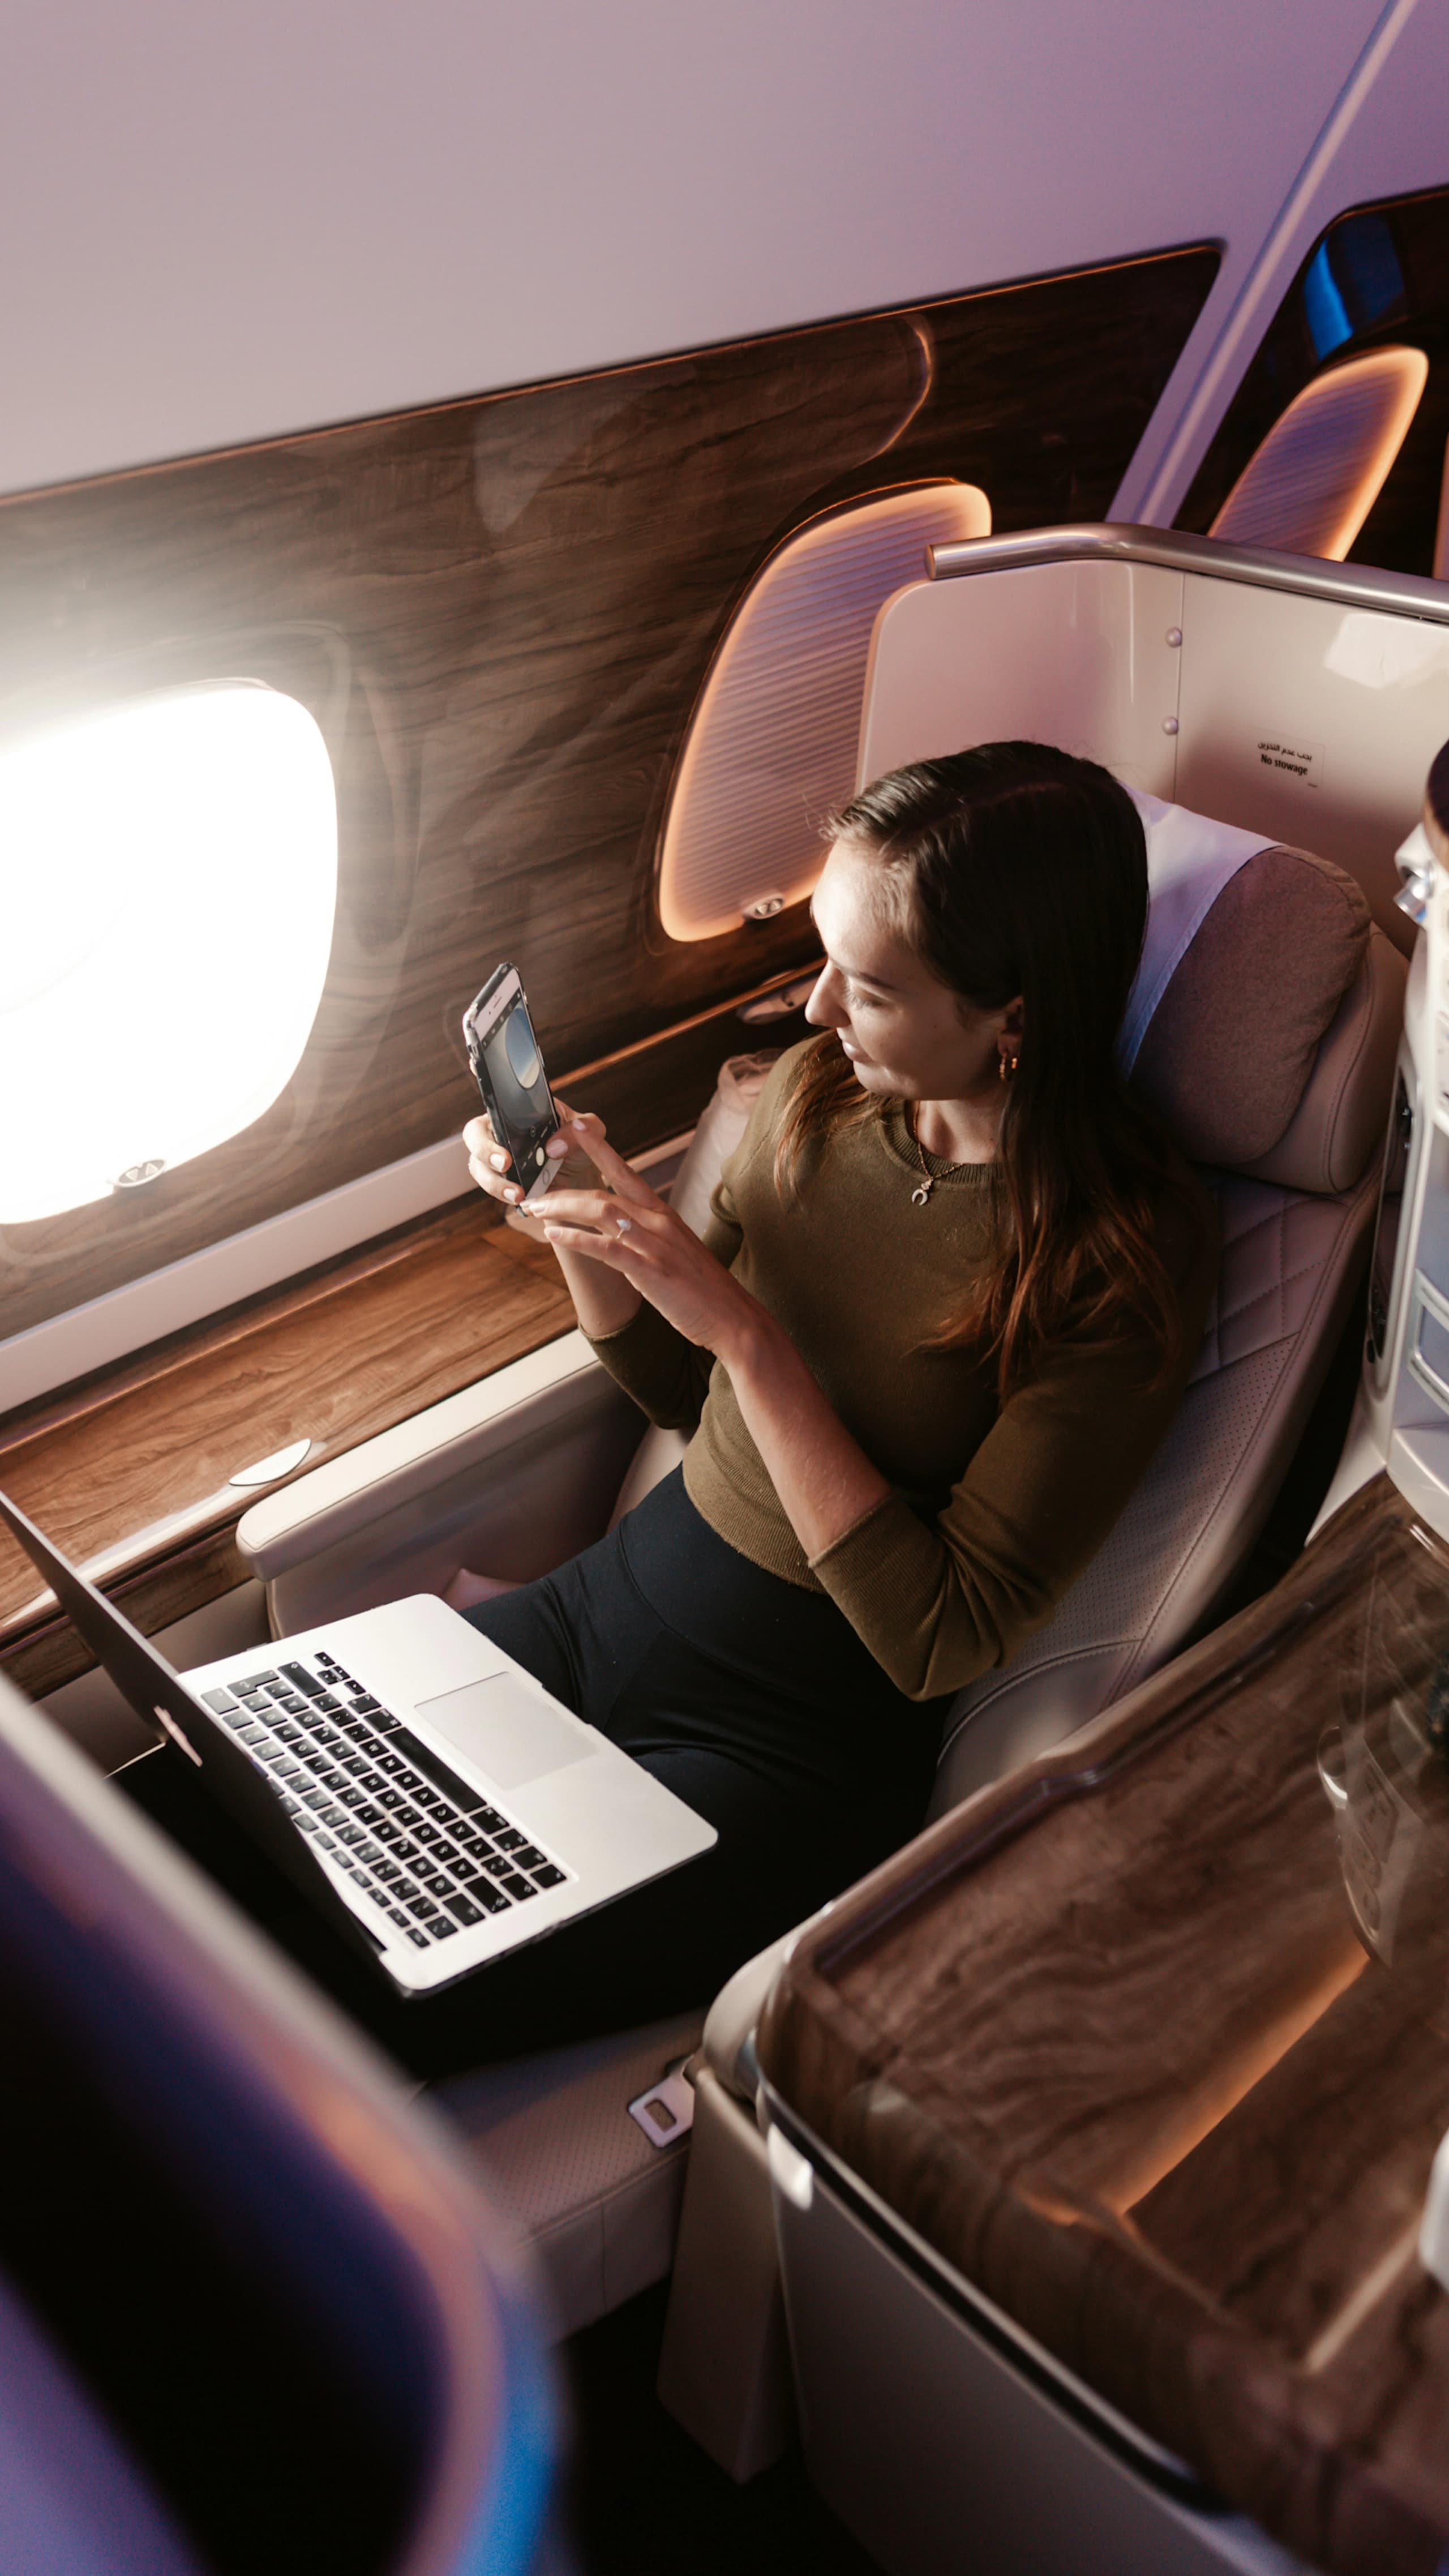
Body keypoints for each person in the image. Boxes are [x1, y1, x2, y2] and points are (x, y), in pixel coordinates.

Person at [316, 741, 1217, 2075]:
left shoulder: (1109, 1256)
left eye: (865, 987)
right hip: (596, 1612)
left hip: (770, 1760)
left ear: (1009, 1017)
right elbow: (682, 1393)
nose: (812, 1018)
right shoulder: (816, 1103)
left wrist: (746, 1330)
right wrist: (588, 1219)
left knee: (350, 1983)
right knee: (231, 1815)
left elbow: (940, 1633)